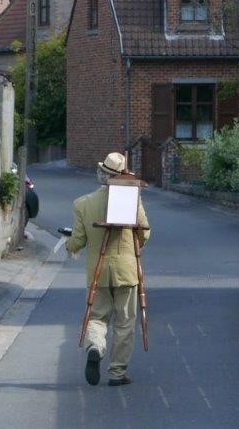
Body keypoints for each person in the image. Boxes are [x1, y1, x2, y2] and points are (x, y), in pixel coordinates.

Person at [66, 152, 150, 387]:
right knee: (124, 322)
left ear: (102, 174)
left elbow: (78, 240)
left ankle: (95, 346)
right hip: (126, 270)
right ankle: (117, 372)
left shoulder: (82, 203)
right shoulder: (132, 199)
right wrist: (137, 244)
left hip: (98, 270)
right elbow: (144, 232)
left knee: (98, 316)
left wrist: (69, 246)